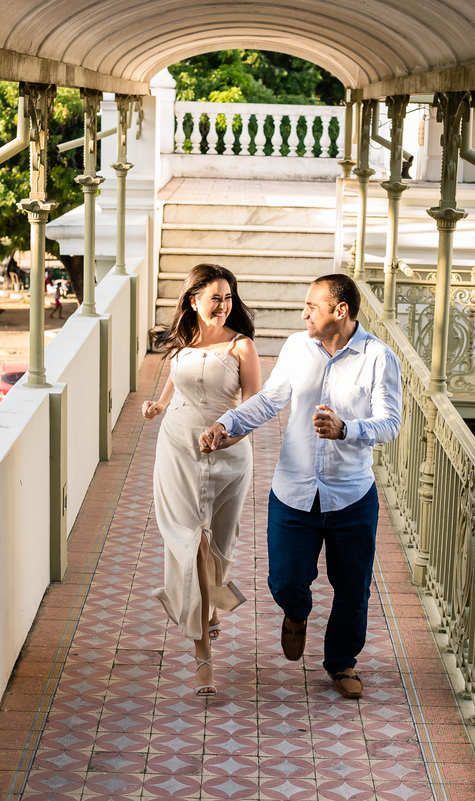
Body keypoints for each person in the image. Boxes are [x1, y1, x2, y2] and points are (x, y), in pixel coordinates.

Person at [200, 273, 401, 699]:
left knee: (352, 587)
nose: (304, 313)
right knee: (286, 580)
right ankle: (296, 613)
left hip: (350, 495)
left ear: (339, 311)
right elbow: (271, 398)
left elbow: (391, 422)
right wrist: (227, 423)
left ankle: (342, 662)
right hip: (293, 490)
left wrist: (346, 428)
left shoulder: (378, 357)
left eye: (312, 306)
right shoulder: (296, 347)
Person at [143, 263, 261, 696]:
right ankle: (202, 657)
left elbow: (254, 406)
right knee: (190, 541)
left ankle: (211, 597)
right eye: (216, 298)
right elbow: (179, 381)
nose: (224, 306)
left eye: (229, 298)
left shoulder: (241, 347)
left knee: (218, 546)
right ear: (193, 301)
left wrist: (227, 435)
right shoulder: (180, 344)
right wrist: (157, 405)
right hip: (176, 448)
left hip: (229, 454)